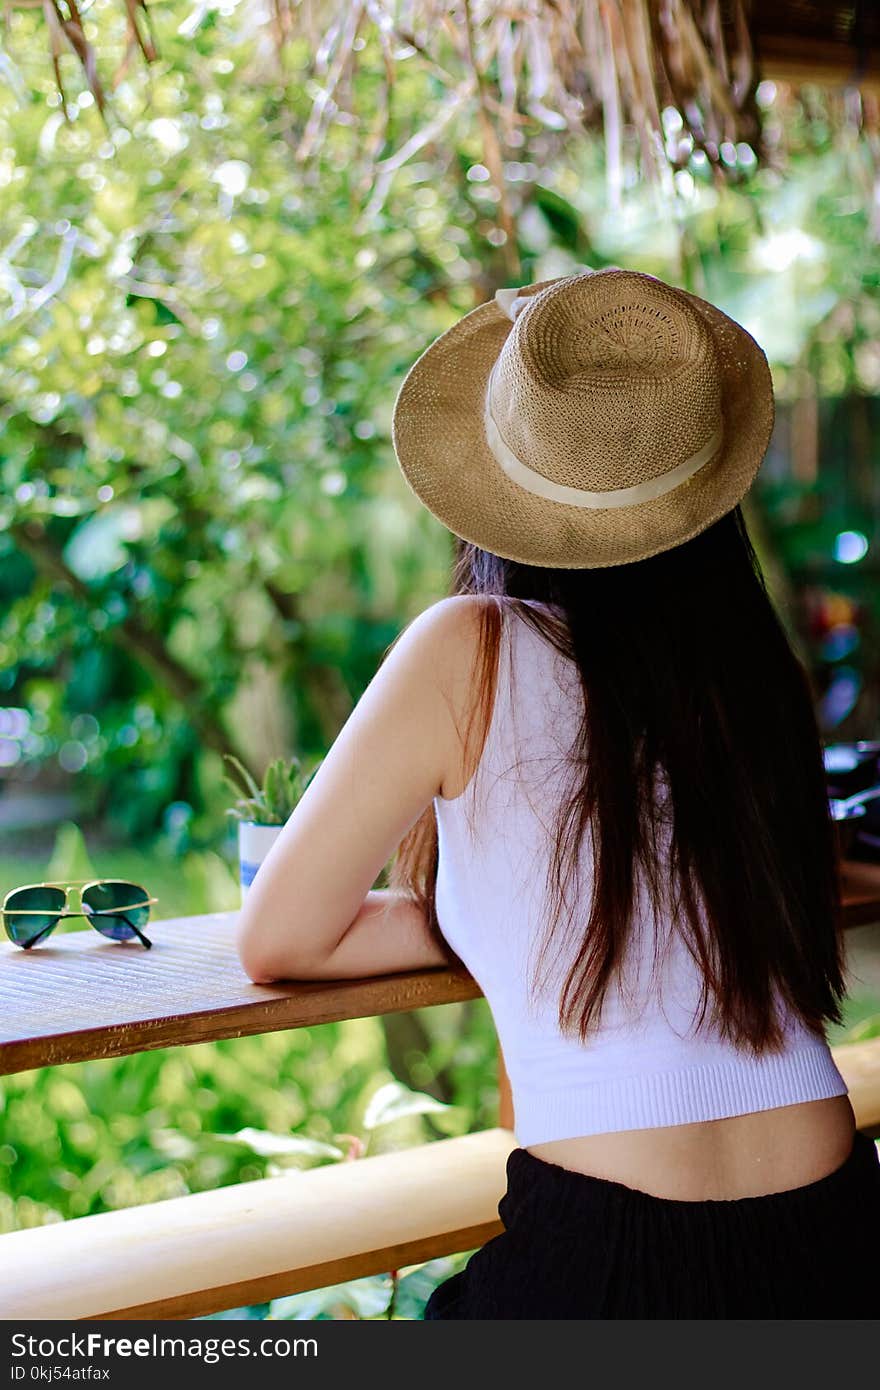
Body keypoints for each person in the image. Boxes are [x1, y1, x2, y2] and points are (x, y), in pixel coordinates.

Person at [236, 268, 880, 1318]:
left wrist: (493, 915)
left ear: (500, 478)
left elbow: (280, 937)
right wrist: (514, 906)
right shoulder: (746, 665)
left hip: (618, 1251)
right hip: (840, 1217)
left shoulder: (468, 645)